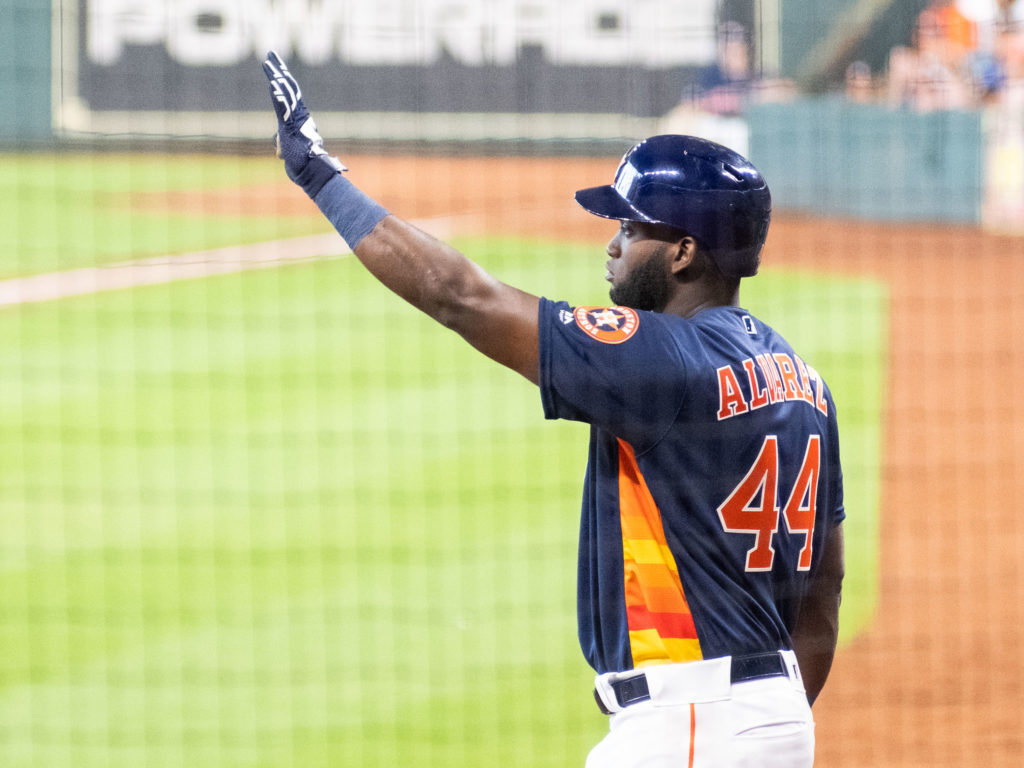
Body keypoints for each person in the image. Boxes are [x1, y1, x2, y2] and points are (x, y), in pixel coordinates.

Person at [261, 51, 846, 767]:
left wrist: (319, 175)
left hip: (689, 725)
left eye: (632, 230)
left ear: (685, 252)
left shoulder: (662, 360)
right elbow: (826, 581)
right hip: (772, 721)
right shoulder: (803, 381)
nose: (612, 245)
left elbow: (461, 297)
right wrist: (770, 719)